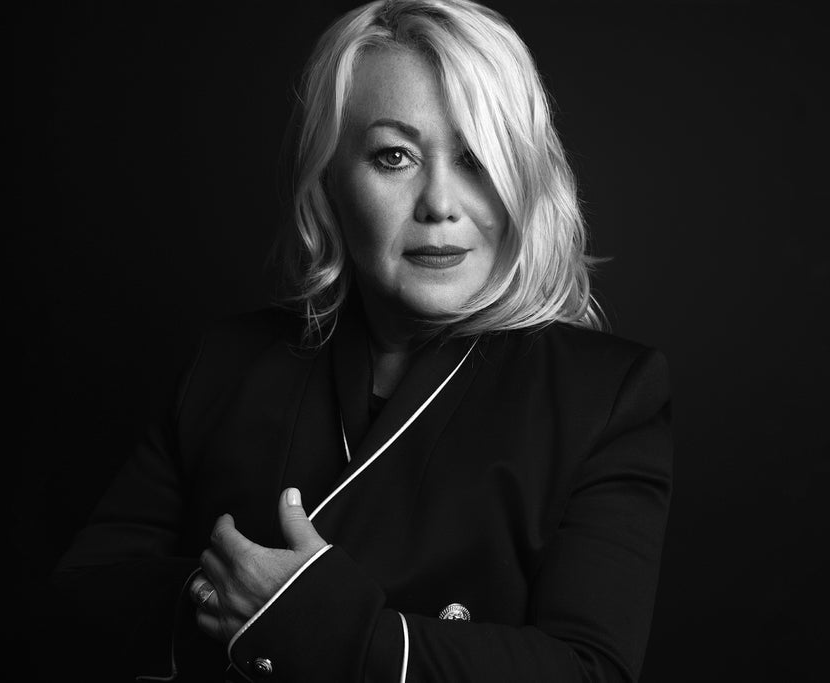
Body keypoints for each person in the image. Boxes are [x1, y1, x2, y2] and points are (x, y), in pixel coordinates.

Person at [49, 1, 672, 681]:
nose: (440, 203)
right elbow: (81, 599)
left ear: (521, 177)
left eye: (476, 157)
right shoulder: (230, 361)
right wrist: (224, 601)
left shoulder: (607, 396)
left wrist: (324, 628)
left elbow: (591, 670)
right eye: (394, 156)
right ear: (330, 183)